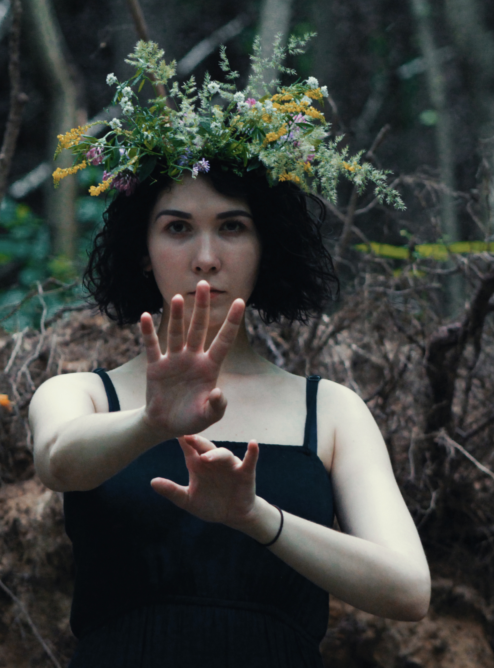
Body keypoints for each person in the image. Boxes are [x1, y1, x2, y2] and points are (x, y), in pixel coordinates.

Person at [29, 39, 429, 667]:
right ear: (143, 250)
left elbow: (408, 590)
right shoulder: (78, 394)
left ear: (268, 249)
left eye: (233, 227)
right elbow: (59, 464)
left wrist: (253, 516)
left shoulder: (330, 412)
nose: (206, 257)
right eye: (178, 227)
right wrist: (151, 423)